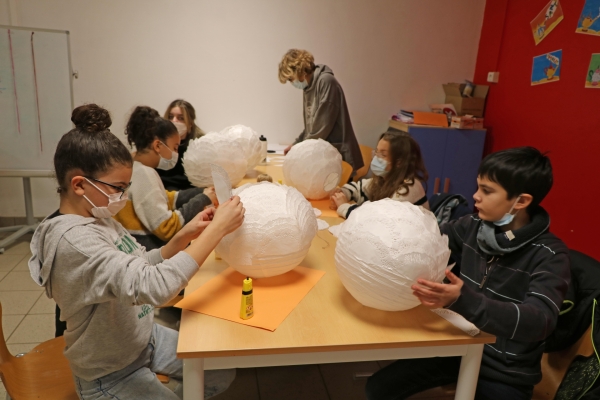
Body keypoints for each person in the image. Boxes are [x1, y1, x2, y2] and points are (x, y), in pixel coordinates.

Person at [29, 104, 244, 399]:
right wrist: (218, 229)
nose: (124, 196)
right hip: (110, 372)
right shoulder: (75, 243)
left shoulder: (98, 216)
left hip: (141, 340)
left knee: (220, 370)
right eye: (118, 187)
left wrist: (183, 236)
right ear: (79, 184)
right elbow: (155, 286)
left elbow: (140, 264)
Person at [365, 147, 571, 400]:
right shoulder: (472, 226)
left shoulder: (550, 255)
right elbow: (427, 240)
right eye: (478, 186)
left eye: (487, 190)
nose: (475, 196)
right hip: (458, 347)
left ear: (521, 201)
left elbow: (540, 321)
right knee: (378, 388)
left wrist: (462, 300)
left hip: (504, 369)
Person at [113, 106, 216, 251]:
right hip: (148, 253)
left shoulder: (130, 164)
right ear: (157, 145)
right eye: (174, 148)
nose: (176, 154)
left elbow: (161, 198)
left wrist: (201, 192)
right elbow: (167, 228)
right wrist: (202, 199)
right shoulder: (144, 175)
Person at [278, 49, 364, 172]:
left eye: (291, 79)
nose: (292, 83)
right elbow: (311, 128)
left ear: (300, 71)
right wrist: (295, 144)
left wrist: (298, 151)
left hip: (338, 158)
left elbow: (320, 129)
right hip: (324, 156)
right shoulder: (308, 87)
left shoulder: (326, 82)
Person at [330, 131, 429, 218]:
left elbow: (378, 220)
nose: (376, 158)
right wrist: (342, 193)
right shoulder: (385, 178)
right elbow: (359, 188)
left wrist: (343, 207)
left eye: (383, 155)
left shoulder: (408, 188)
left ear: (399, 162)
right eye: (376, 152)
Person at [158, 99, 205, 191]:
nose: (174, 121)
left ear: (190, 124)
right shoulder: (159, 143)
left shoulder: (199, 146)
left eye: (181, 118)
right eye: (170, 117)